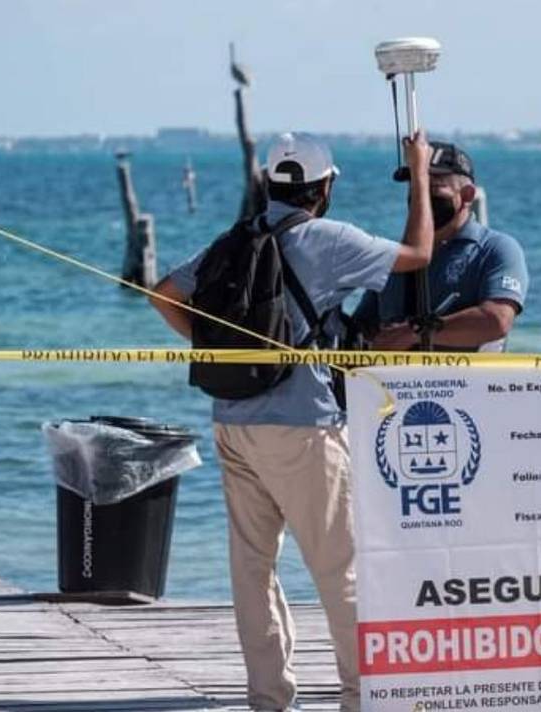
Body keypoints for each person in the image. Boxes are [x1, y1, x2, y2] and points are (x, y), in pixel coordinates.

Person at [148, 131, 433, 712]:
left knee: (253, 568)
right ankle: (362, 696)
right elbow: (419, 253)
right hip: (303, 425)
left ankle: (269, 697)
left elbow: (164, 295)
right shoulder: (329, 238)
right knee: (340, 569)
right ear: (324, 188)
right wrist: (420, 173)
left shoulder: (235, 239)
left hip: (233, 420)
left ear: (269, 184)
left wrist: (219, 349)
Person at [353, 142, 528, 352]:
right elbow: (362, 326)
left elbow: (496, 320)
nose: (421, 199)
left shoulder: (495, 250)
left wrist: (416, 332)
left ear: (467, 195)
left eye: (432, 188)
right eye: (417, 188)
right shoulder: (397, 257)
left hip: (465, 374)